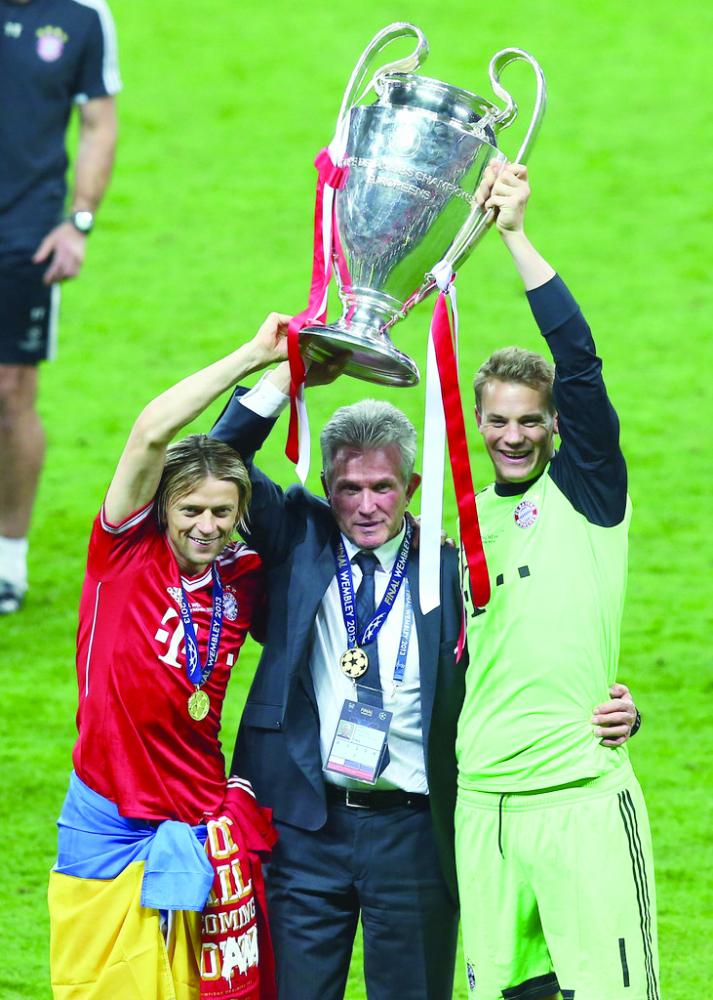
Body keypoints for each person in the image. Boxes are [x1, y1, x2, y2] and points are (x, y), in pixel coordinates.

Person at [209, 367, 638, 1000]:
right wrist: (284, 372)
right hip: (304, 829)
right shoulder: (298, 535)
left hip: (414, 835)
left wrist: (619, 709)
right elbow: (217, 459)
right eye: (349, 488)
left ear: (411, 487)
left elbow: (531, 656)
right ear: (326, 486)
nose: (366, 506)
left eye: (382, 487)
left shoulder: (456, 569)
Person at [455, 163, 659, 1000]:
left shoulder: (587, 493)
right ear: (477, 421)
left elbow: (579, 363)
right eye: (498, 420)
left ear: (554, 426)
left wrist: (514, 235)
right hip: (482, 804)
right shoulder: (457, 524)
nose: (513, 436)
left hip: (579, 798)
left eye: (530, 421)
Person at [48, 313, 293, 999]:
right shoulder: (123, 549)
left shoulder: (243, 574)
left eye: (222, 512)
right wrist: (256, 358)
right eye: (190, 511)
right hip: (107, 815)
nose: (206, 527)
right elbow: (151, 434)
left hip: (199, 816)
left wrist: (295, 373)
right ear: (163, 508)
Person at [0, 0, 120, 614]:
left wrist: (79, 221)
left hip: (25, 235)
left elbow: (99, 121)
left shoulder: (83, 15)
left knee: (10, 392)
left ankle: (8, 561)